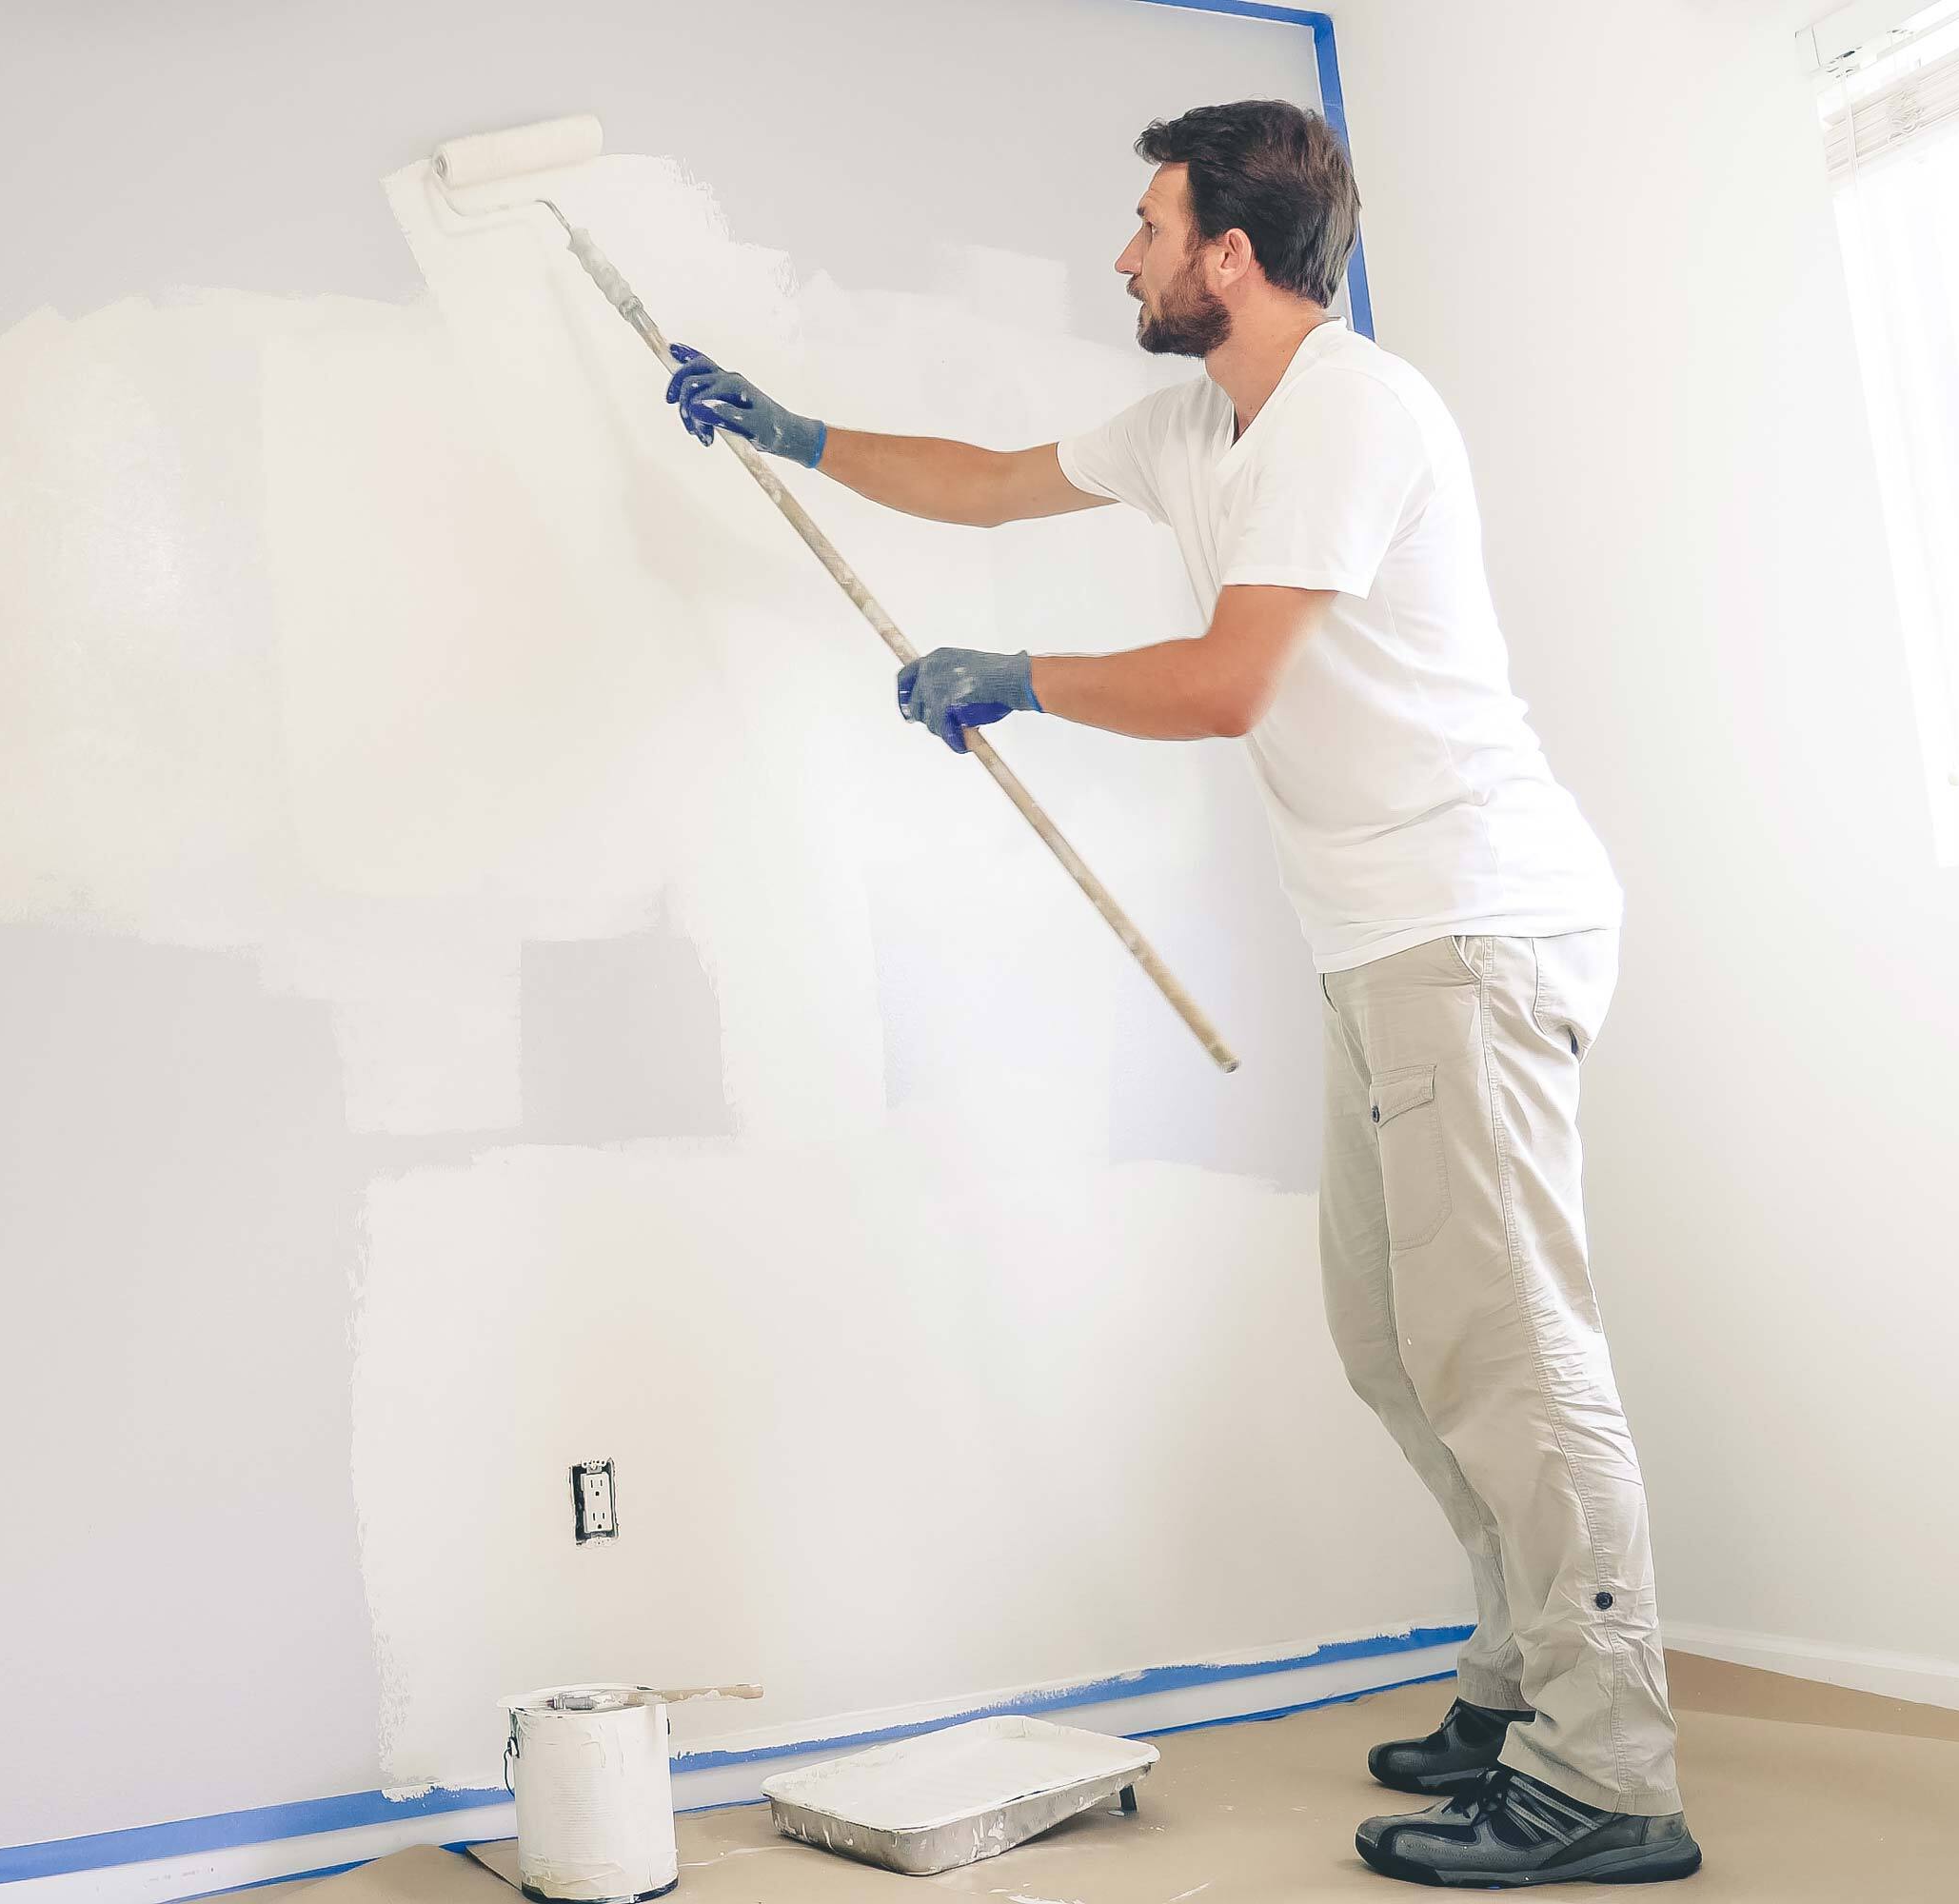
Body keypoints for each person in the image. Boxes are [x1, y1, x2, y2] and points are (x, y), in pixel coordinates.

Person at [661, 100, 1696, 1889]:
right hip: (1383, 940)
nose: (1122, 256)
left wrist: (1024, 675)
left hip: (1474, 921)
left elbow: (1230, 685)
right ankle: (1526, 1679)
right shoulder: (1202, 420)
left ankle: (1611, 1772)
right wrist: (798, 431)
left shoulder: (1351, 411)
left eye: (1148, 226)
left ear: (1232, 253)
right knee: (1397, 1347)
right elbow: (989, 481)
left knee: (1511, 1359)